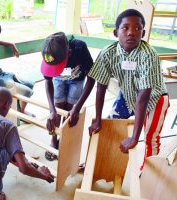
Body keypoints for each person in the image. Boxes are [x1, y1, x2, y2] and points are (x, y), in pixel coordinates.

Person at [68, 9, 170, 170]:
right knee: (108, 127)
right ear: (116, 33)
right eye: (125, 28)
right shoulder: (108, 53)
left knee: (151, 139)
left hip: (154, 99)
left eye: (137, 28)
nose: (131, 33)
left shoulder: (148, 55)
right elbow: (100, 87)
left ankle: (147, 174)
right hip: (127, 95)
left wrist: (134, 138)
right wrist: (98, 120)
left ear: (143, 33)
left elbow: (143, 98)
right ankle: (93, 163)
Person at [40, 32, 93, 161]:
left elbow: (91, 78)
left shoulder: (80, 49)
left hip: (77, 80)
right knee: (57, 109)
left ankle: (63, 138)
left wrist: (77, 107)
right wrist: (52, 110)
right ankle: (54, 139)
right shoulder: (49, 52)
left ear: (68, 53)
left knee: (69, 110)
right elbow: (48, 81)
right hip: (58, 79)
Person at [0, 18, 35, 115]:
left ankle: (20, 111)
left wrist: (11, 44)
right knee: (27, 92)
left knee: (30, 84)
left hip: (1, 74)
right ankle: (21, 113)